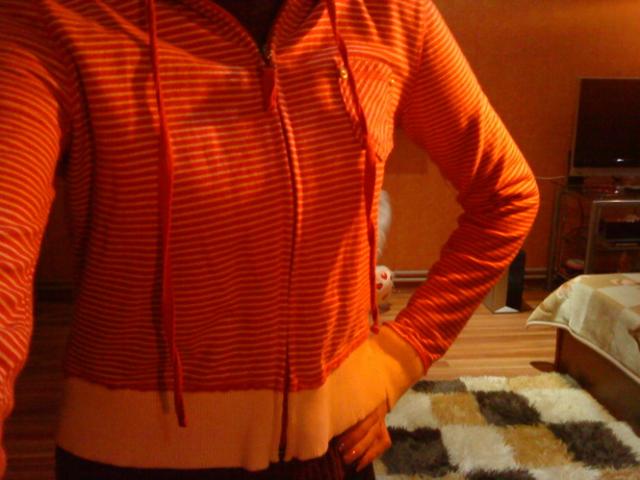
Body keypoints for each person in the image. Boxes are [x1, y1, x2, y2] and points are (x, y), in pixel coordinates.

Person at [0, 0, 540, 478]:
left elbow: (506, 195)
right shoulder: (53, 16)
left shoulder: (392, 14)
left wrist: (398, 360)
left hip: (330, 452)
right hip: (127, 461)